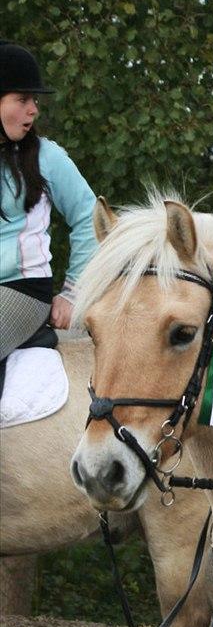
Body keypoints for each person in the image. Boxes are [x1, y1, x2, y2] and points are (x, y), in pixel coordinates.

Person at [0, 41, 97, 376]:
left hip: (21, 291)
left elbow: (89, 217)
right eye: (23, 99)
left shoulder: (47, 156)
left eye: (34, 101)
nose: (33, 110)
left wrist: (73, 292)